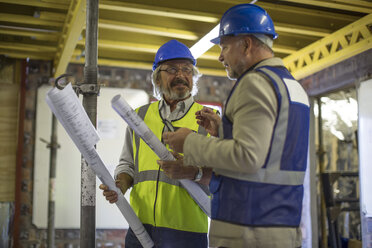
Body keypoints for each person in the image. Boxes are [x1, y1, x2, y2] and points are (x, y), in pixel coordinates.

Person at [160, 4, 310, 248]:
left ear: (246, 45)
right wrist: (224, 131)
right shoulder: (292, 87)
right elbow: (272, 153)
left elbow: (248, 157)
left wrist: (190, 142)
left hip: (247, 228)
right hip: (281, 226)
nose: (220, 57)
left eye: (225, 47)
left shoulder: (254, 84)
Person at [99, 39, 213, 248]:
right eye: (171, 69)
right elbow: (127, 164)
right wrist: (120, 184)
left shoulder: (209, 119)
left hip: (186, 233)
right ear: (157, 79)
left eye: (187, 69)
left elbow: (220, 176)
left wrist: (192, 170)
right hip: (139, 228)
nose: (180, 75)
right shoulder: (139, 116)